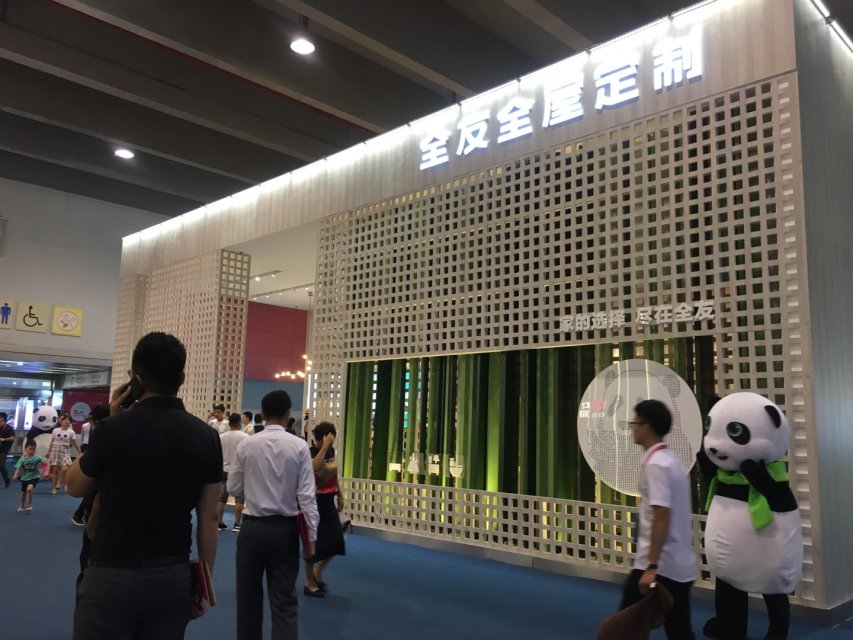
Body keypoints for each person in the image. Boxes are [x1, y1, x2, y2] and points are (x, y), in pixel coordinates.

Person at [66, 332, 223, 640]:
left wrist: (109, 424)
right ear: (181, 377)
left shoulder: (112, 429)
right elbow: (210, 517)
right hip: (172, 576)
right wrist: (205, 583)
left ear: (136, 380)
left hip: (111, 573)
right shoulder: (206, 436)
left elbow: (74, 486)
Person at [228, 390, 318, 640]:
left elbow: (233, 488)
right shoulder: (300, 446)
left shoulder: (247, 444)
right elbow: (307, 496)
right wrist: (311, 537)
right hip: (285, 530)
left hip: (252, 528)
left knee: (248, 599)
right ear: (289, 415)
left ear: (262, 414)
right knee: (284, 601)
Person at [618, 400, 697, 639]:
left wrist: (651, 566)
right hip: (677, 563)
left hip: (660, 565)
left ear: (647, 426)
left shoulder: (657, 465)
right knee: (679, 630)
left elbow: (661, 516)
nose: (632, 429)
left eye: (634, 423)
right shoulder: (670, 460)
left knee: (625, 628)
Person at [303, 421, 346, 597]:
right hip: (313, 502)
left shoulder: (330, 451)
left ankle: (317, 572)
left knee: (337, 540)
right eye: (329, 439)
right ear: (321, 438)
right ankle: (309, 583)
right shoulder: (310, 452)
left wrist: (340, 494)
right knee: (312, 544)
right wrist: (325, 445)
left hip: (328, 501)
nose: (331, 442)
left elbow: (333, 475)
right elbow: (314, 466)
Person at [71, 405, 110, 526]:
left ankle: (80, 515)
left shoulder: (101, 432)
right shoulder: (98, 432)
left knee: (92, 494)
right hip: (96, 470)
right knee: (92, 494)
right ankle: (81, 515)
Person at [219, 412, 249, 532]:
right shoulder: (245, 437)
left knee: (221, 498)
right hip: (239, 471)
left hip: (224, 469)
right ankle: (237, 524)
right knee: (240, 498)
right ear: (239, 422)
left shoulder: (221, 437)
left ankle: (219, 522)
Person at [47, 413, 81, 494]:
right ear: (61, 422)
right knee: (55, 470)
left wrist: (79, 452)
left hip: (65, 451)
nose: (67, 421)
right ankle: (54, 487)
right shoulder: (55, 430)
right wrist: (49, 452)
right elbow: (52, 442)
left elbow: (74, 443)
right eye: (65, 420)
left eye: (68, 420)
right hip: (56, 450)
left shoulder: (71, 432)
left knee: (65, 469)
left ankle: (64, 483)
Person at [13, 440, 46, 513]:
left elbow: (47, 461)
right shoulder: (22, 458)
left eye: (33, 449)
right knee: (23, 493)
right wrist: (15, 474)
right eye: (30, 449)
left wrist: (47, 469)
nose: (32, 451)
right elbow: (18, 468)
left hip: (34, 476)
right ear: (25, 449)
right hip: (24, 478)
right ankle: (22, 505)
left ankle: (29, 505)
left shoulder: (37, 457)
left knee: (29, 489)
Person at [0, 412, 15, 488]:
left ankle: (6, 480)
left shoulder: (9, 428)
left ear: (2, 418)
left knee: (2, 466)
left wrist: (4, 439)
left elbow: (12, 438)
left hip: (3, 449)